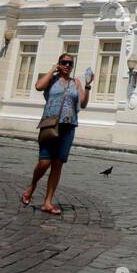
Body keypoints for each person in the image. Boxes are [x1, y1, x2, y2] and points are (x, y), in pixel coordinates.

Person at [21, 54, 91, 216]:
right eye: (64, 62)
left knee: (58, 164)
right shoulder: (51, 81)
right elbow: (38, 86)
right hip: (51, 125)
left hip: (69, 126)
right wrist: (53, 69)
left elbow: (83, 103)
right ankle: (32, 185)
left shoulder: (76, 82)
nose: (67, 65)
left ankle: (47, 202)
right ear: (59, 64)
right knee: (44, 162)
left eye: (70, 63)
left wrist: (87, 86)